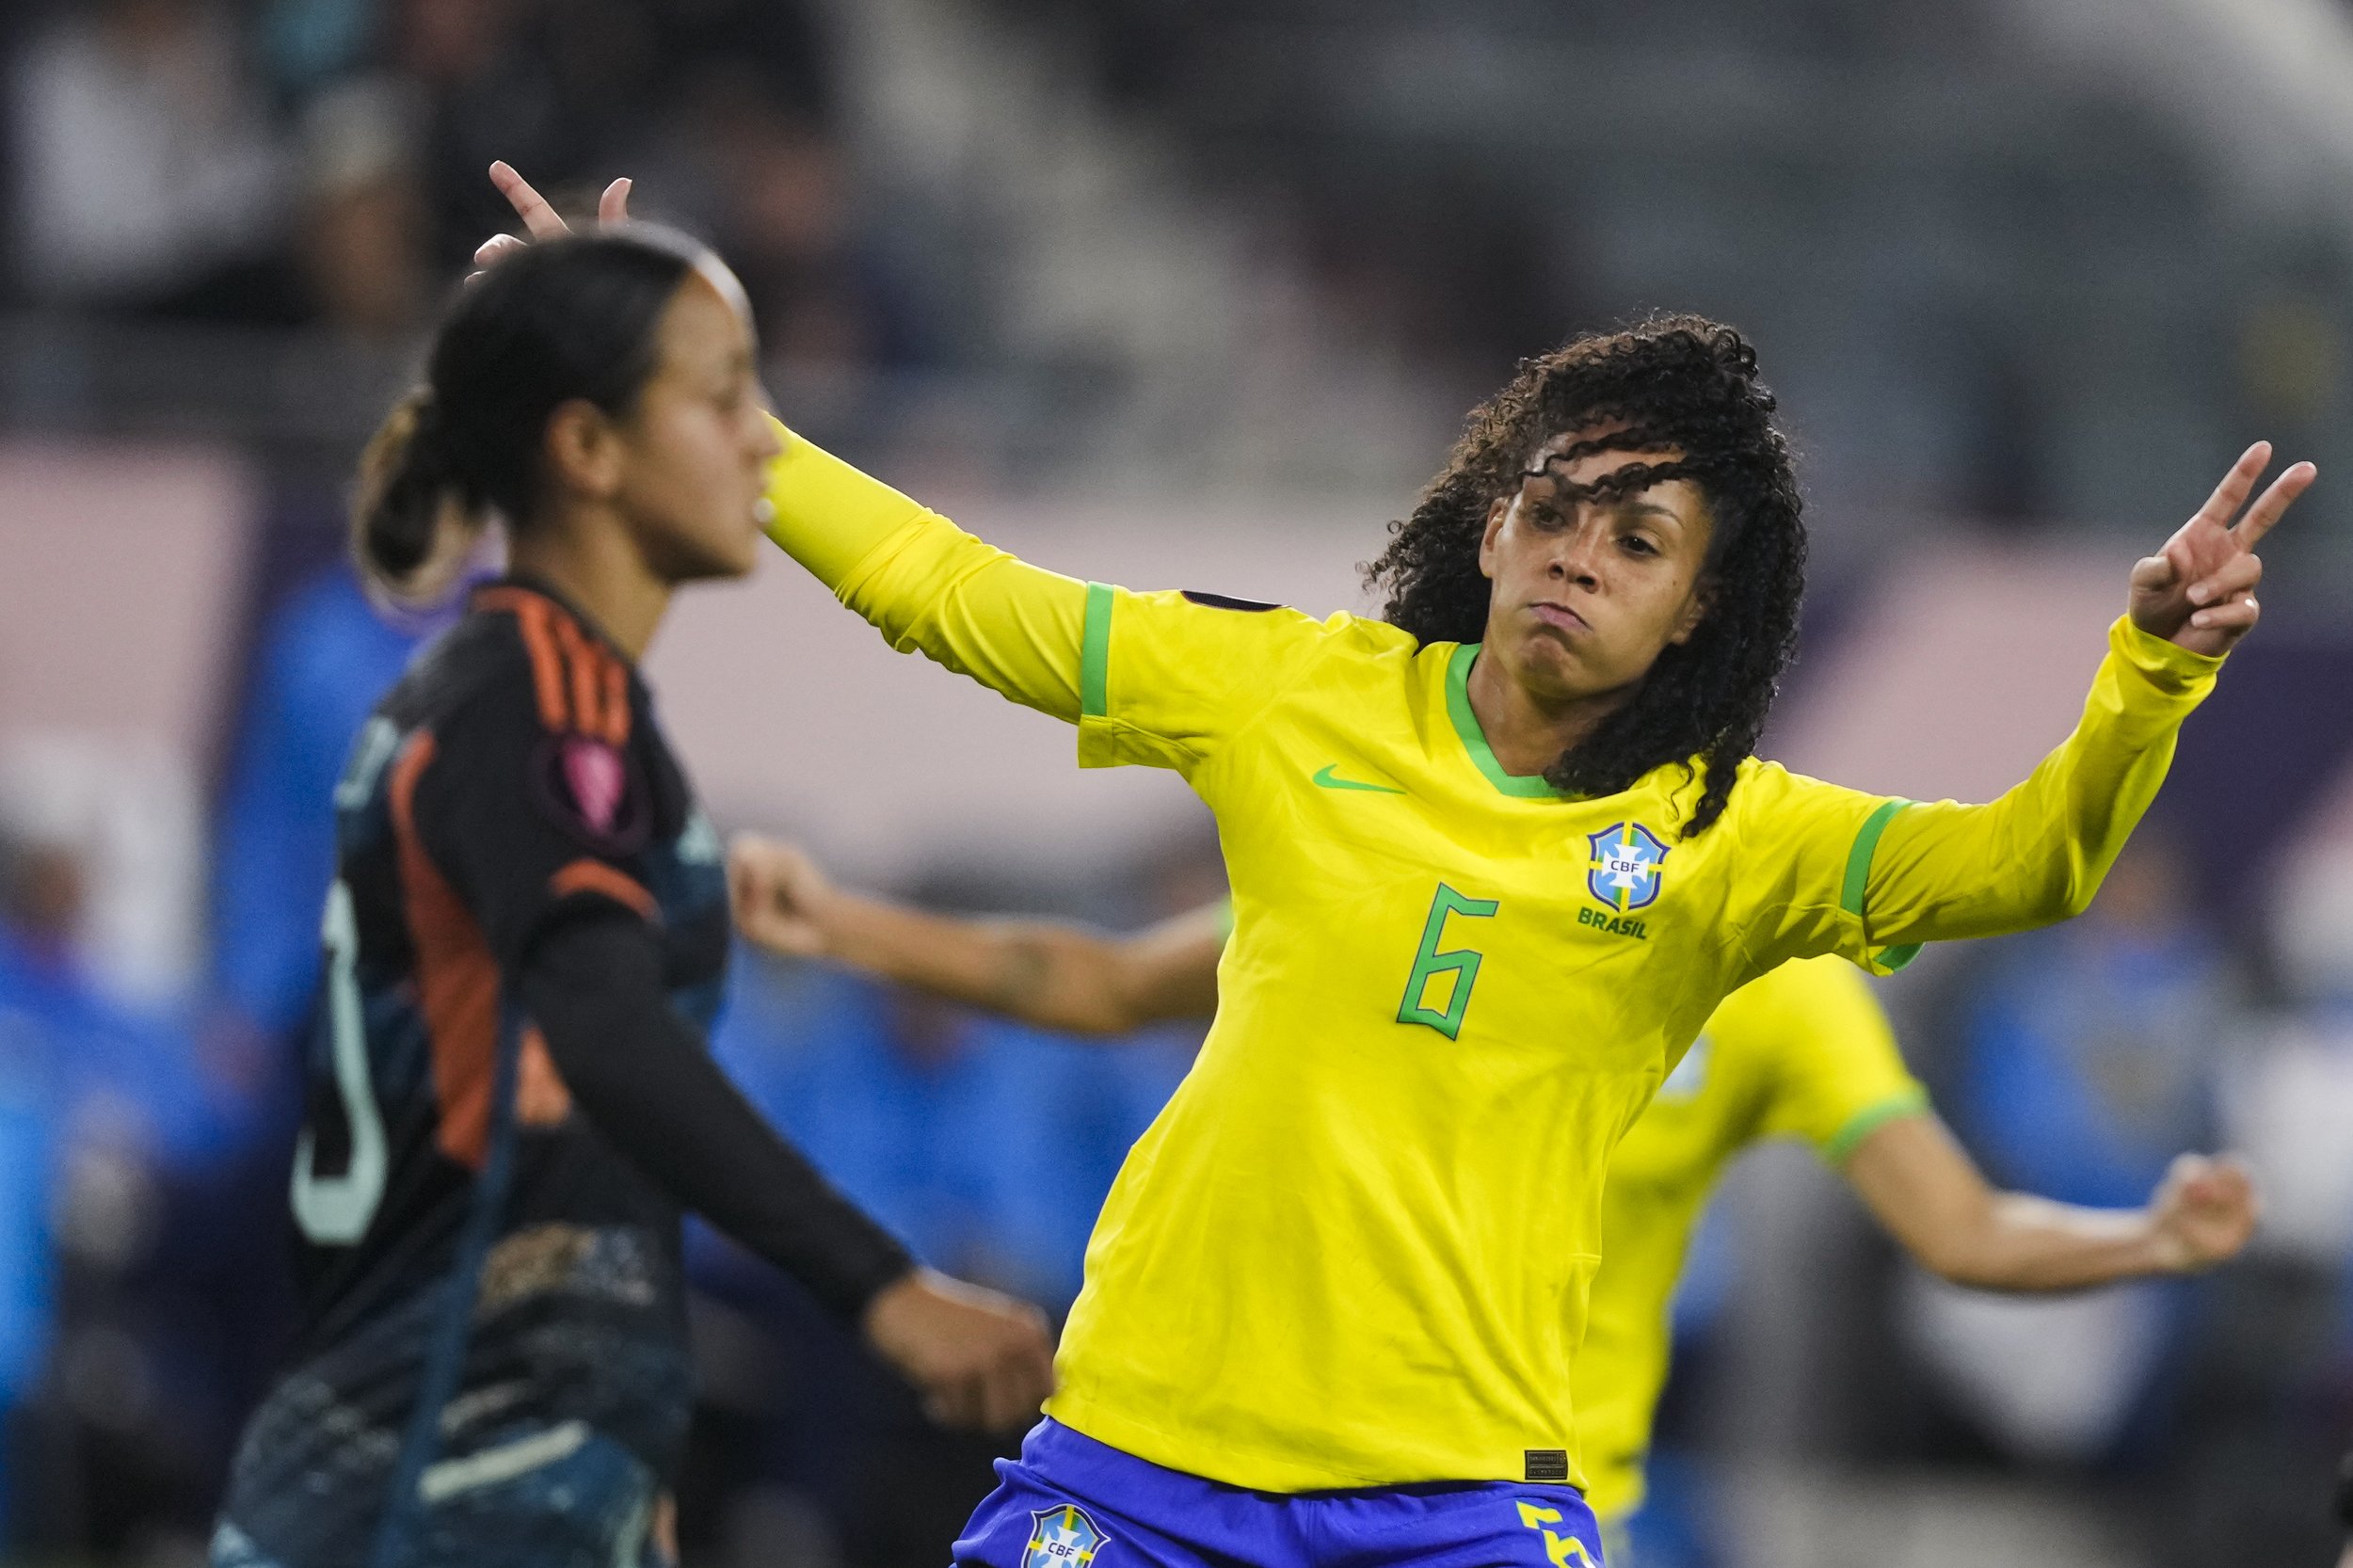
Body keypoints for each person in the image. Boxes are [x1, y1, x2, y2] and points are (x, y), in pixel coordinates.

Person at [480, 163, 2309, 1568]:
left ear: (1700, 612)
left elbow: (2021, 866)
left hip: (1448, 1502)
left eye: (1638, 535)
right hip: (1139, 1458)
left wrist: (2140, 672)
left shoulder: (1729, 841)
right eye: (1553, 506)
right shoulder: (1299, 691)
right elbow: (955, 595)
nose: (1576, 552)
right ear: (1489, 524)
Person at [209, 221, 1054, 1568]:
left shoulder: (574, 709)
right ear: (589, 450)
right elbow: (606, 1039)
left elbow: (558, 1107)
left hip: (511, 1426)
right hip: (442, 1445)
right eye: (720, 399)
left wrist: (623, 1420)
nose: (764, 441)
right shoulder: (532, 711)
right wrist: (882, 1286)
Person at [727, 838, 2260, 1551]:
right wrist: (852, 923)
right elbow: (1111, 978)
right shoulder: (1410, 859)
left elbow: (1965, 1225)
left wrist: (2145, 1235)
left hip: (1529, 1502)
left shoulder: (1779, 991)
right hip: (1266, 1457)